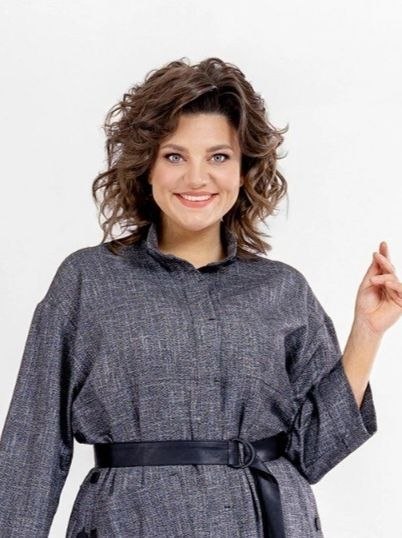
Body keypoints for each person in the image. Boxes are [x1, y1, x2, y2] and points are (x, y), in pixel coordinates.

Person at [0, 56, 400, 538]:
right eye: (175, 156)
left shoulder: (282, 289)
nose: (197, 178)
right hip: (130, 524)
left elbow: (314, 452)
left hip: (265, 523)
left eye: (218, 157)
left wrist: (367, 331)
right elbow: (32, 446)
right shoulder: (88, 280)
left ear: (244, 169)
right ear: (147, 167)